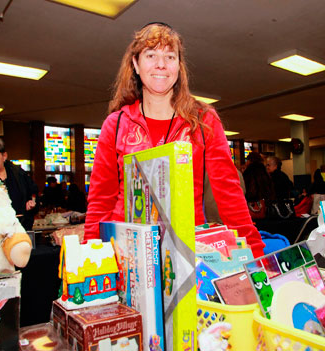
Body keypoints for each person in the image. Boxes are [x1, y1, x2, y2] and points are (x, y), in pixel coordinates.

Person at [84, 22, 264, 257]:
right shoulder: (116, 124)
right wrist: (91, 257)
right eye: (151, 55)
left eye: (170, 56)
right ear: (136, 64)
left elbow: (229, 195)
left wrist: (257, 256)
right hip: (128, 255)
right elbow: (100, 201)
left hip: (190, 251)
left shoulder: (203, 120)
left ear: (179, 66)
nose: (161, 64)